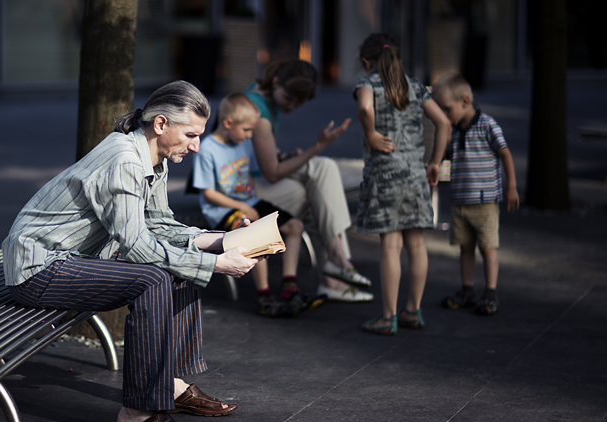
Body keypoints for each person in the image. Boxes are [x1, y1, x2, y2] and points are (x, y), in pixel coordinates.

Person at [3, 81, 258, 422]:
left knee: (176, 265)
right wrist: (214, 264)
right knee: (154, 277)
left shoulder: (155, 156)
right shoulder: (124, 160)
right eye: (190, 134)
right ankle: (137, 415)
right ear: (160, 124)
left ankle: (170, 384)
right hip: (37, 267)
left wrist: (225, 240)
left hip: (72, 259)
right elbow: (137, 245)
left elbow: (160, 226)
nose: (196, 145)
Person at [244, 60, 374, 302]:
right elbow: (271, 172)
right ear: (276, 83)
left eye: (299, 102)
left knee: (323, 175)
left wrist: (283, 154)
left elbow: (254, 155)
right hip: (241, 192)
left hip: (252, 180)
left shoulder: (261, 95)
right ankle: (335, 267)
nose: (292, 105)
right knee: (319, 186)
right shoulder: (259, 113)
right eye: (289, 97)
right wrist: (318, 146)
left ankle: (335, 266)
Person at [192, 93, 324, 318]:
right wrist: (242, 207)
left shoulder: (244, 143)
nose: (250, 135)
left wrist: (286, 157)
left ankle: (289, 287)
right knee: (256, 234)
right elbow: (208, 193)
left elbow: (253, 174)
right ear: (227, 123)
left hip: (250, 203)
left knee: (295, 227)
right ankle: (264, 296)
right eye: (246, 130)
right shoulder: (208, 149)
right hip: (223, 210)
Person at [353, 34, 450, 335]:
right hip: (415, 171)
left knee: (391, 246)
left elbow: (366, 108)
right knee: (416, 243)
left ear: (367, 61)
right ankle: (413, 311)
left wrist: (370, 133)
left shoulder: (367, 84)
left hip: (386, 173)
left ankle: (387, 316)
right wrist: (435, 162)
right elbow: (444, 122)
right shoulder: (415, 86)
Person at [432, 72, 519, 316]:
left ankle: (490, 292)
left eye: (446, 109)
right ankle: (467, 289)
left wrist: (510, 185)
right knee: (465, 248)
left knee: (488, 247)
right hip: (460, 202)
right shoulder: (454, 131)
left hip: (484, 201)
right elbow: (444, 156)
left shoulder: (487, 125)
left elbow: (505, 153)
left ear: (464, 101)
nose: (444, 116)